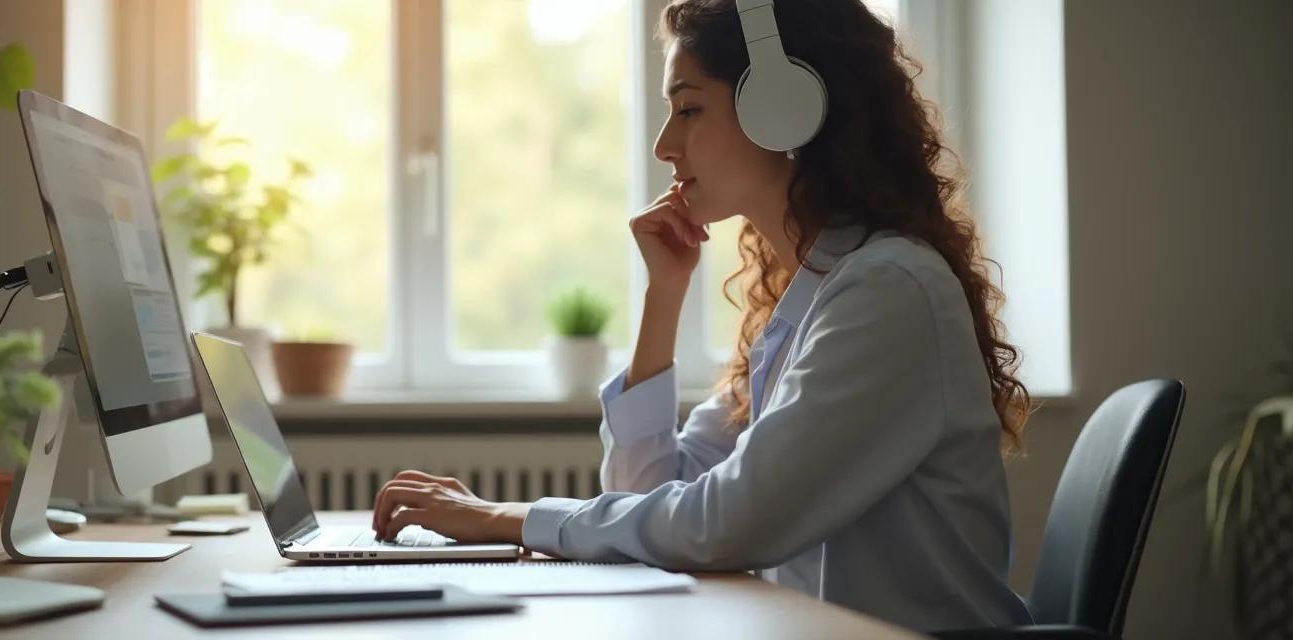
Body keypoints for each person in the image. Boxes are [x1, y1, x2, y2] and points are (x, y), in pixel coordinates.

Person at [370, 0, 1034, 631]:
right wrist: (665, 293)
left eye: (688, 109)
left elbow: (728, 524)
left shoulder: (888, 293)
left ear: (785, 110)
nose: (664, 145)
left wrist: (503, 518)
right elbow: (650, 488)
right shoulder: (811, 296)